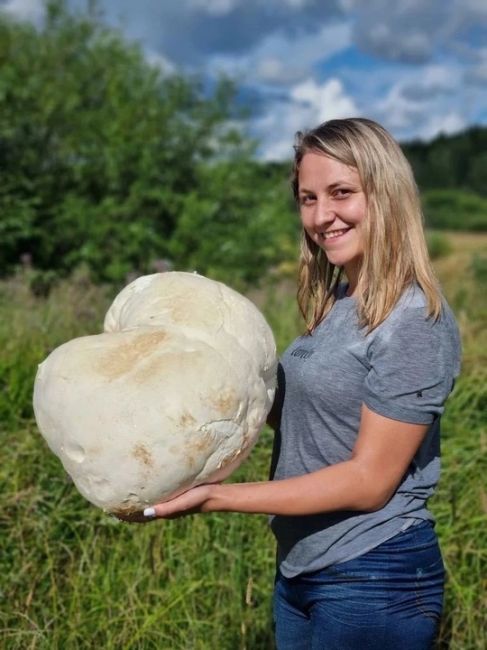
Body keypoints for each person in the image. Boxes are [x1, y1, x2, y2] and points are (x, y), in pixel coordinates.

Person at [141, 118, 461, 649]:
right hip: (301, 567)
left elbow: (369, 481)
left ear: (387, 194)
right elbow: (295, 413)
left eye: (341, 193)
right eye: (307, 198)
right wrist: (186, 376)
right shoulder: (339, 301)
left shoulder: (413, 321)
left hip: (374, 575)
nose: (320, 216)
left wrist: (215, 496)